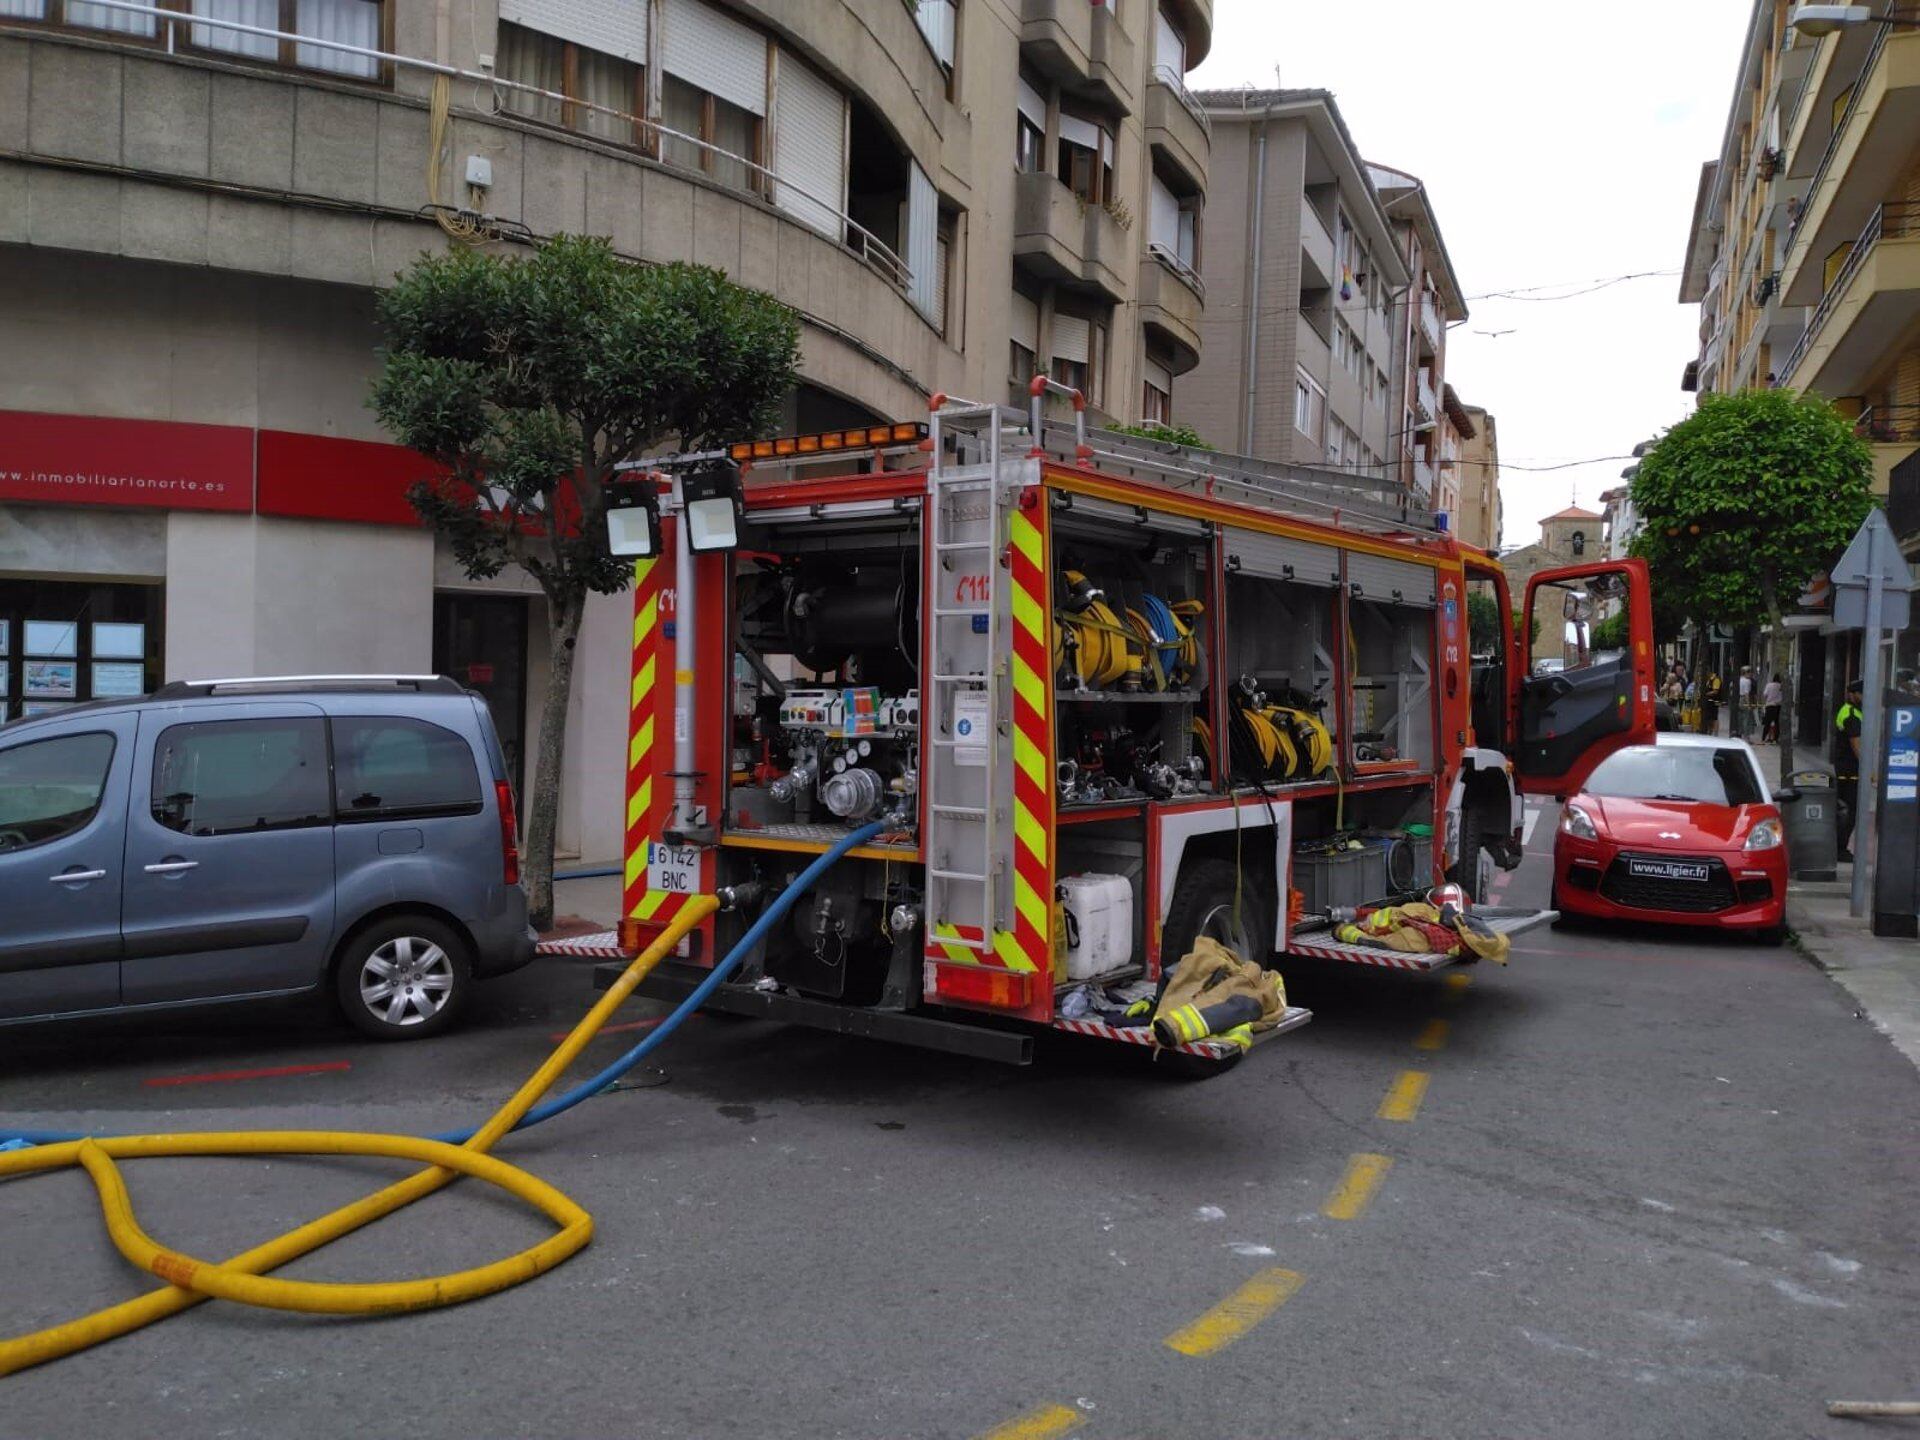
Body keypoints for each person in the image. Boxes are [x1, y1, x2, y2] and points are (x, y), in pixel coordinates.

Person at [1834, 679, 1864, 864]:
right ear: (1852, 694)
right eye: (1861, 694)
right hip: (1849, 769)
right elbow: (1855, 743)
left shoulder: (1851, 711)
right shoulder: (1852, 713)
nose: (1863, 697)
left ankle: (1839, 847)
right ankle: (1840, 849)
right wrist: (1867, 766)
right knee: (1850, 810)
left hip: (1845, 767)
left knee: (1846, 808)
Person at [1762, 671, 1783, 744]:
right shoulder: (1781, 686)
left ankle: (1764, 737)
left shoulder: (1769, 685)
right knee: (1777, 723)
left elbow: (1765, 695)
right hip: (1777, 706)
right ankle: (1775, 738)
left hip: (1769, 705)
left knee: (1767, 722)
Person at [1703, 670, 1724, 737]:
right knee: (1709, 717)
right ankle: (1710, 732)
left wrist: (1705, 694)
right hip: (1709, 701)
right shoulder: (1709, 679)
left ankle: (1715, 734)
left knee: (1714, 717)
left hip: (1715, 702)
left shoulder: (1716, 679)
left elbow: (1715, 691)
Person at [1737, 666, 1754, 738]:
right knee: (1747, 718)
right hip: (1744, 699)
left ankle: (1739, 733)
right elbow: (1747, 693)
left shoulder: (1739, 680)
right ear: (1747, 673)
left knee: (1740, 717)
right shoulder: (1747, 681)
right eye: (1750, 672)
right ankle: (1747, 736)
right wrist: (1748, 704)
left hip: (1739, 699)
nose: (1751, 674)